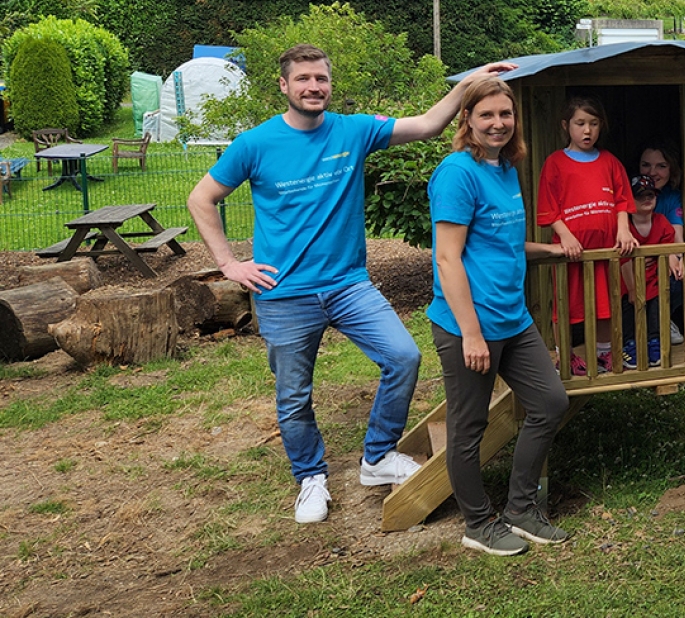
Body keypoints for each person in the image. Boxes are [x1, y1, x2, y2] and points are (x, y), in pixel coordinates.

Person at [186, 43, 515, 524]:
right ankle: (310, 478)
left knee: (403, 357)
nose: (313, 87)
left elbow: (426, 125)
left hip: (347, 284)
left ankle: (377, 458)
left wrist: (469, 84)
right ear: (284, 86)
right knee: (294, 394)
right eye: (303, 79)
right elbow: (202, 198)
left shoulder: (353, 130)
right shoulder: (255, 144)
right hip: (284, 293)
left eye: (320, 78)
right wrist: (229, 264)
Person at [427, 76, 570, 556]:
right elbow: (448, 258)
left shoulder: (507, 169)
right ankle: (478, 523)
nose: (497, 123)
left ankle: (521, 509)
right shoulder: (456, 173)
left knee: (550, 404)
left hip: (512, 316)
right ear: (467, 118)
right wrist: (470, 333)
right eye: (486, 114)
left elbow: (499, 243)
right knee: (468, 429)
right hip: (469, 323)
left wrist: (548, 248)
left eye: (505, 114)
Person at [537, 97, 637, 375]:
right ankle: (565, 357)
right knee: (565, 306)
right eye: (580, 123)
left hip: (605, 251)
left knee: (605, 304)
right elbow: (548, 207)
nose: (587, 131)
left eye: (593, 124)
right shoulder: (555, 163)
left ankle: (604, 353)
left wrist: (623, 229)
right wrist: (565, 236)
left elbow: (622, 200)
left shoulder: (610, 162)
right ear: (565, 126)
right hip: (570, 253)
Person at [618, 174, 675, 369]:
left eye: (651, 195)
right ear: (630, 200)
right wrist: (633, 288)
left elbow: (666, 252)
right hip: (627, 282)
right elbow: (624, 260)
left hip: (654, 281)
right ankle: (629, 344)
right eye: (640, 196)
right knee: (628, 312)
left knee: (655, 311)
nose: (647, 199)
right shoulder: (624, 227)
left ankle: (654, 343)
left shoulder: (662, 222)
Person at [637, 142, 685, 345]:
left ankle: (660, 320)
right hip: (634, 262)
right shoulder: (630, 194)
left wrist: (679, 257)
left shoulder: (672, 197)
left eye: (661, 166)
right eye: (646, 165)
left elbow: (677, 237)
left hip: (661, 261)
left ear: (672, 169)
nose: (653, 172)